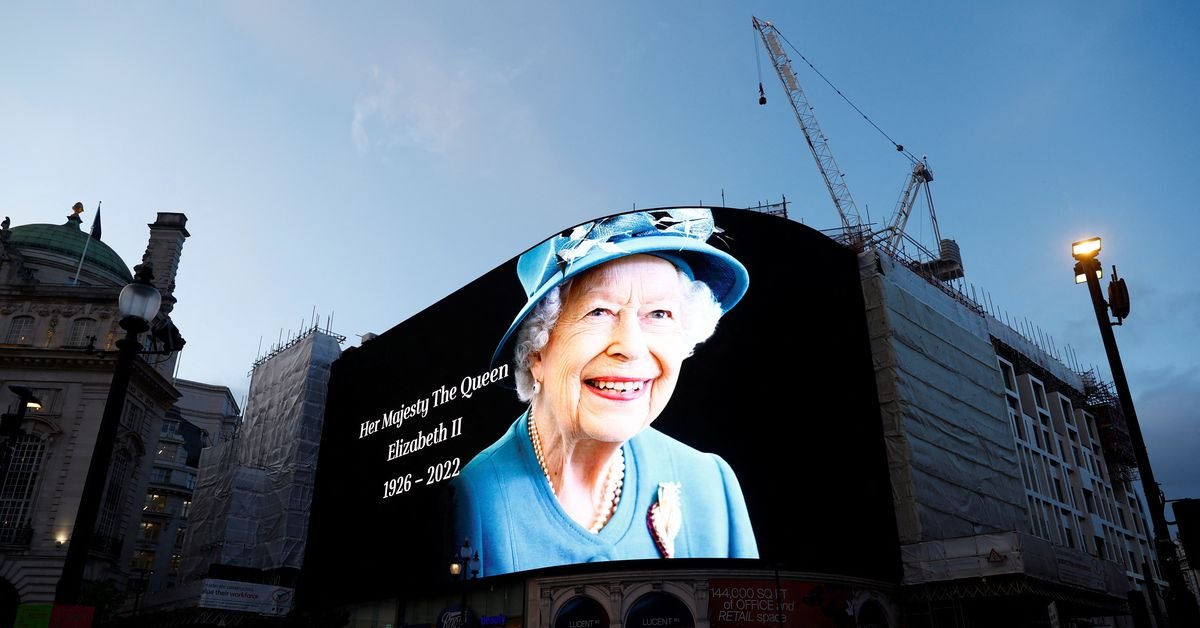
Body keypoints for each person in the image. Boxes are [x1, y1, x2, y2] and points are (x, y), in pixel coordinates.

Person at [451, 208, 758, 577]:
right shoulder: (476, 500)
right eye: (599, 312)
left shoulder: (712, 486)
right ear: (536, 351)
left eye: (659, 314)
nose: (630, 346)